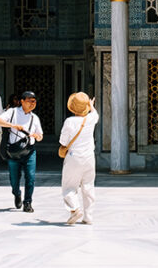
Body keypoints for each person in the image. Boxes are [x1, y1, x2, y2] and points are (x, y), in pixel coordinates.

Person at [0, 90, 43, 213]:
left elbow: (40, 135)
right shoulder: (12, 112)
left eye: (34, 101)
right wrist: (12, 125)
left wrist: (38, 136)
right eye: (30, 101)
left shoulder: (35, 118)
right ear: (22, 101)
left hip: (29, 151)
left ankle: (28, 202)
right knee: (14, 179)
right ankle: (17, 193)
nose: (32, 104)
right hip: (14, 151)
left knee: (30, 177)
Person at [58, 91, 99, 225]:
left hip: (74, 157)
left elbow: (63, 141)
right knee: (88, 187)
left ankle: (75, 208)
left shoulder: (69, 121)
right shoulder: (91, 119)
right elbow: (95, 113)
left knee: (69, 186)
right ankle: (88, 217)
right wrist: (91, 105)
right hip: (89, 157)